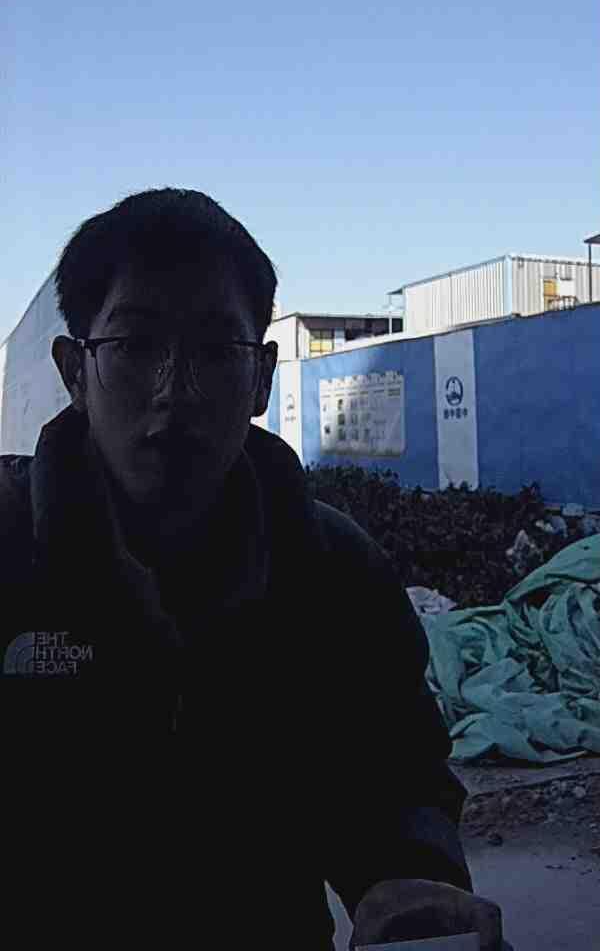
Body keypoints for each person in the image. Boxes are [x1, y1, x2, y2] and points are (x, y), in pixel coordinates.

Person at [0, 189, 507, 949]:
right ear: (75, 371)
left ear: (262, 377)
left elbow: (396, 773)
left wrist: (405, 875)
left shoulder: (336, 572)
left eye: (214, 351)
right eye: (134, 347)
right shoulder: (8, 554)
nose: (174, 393)